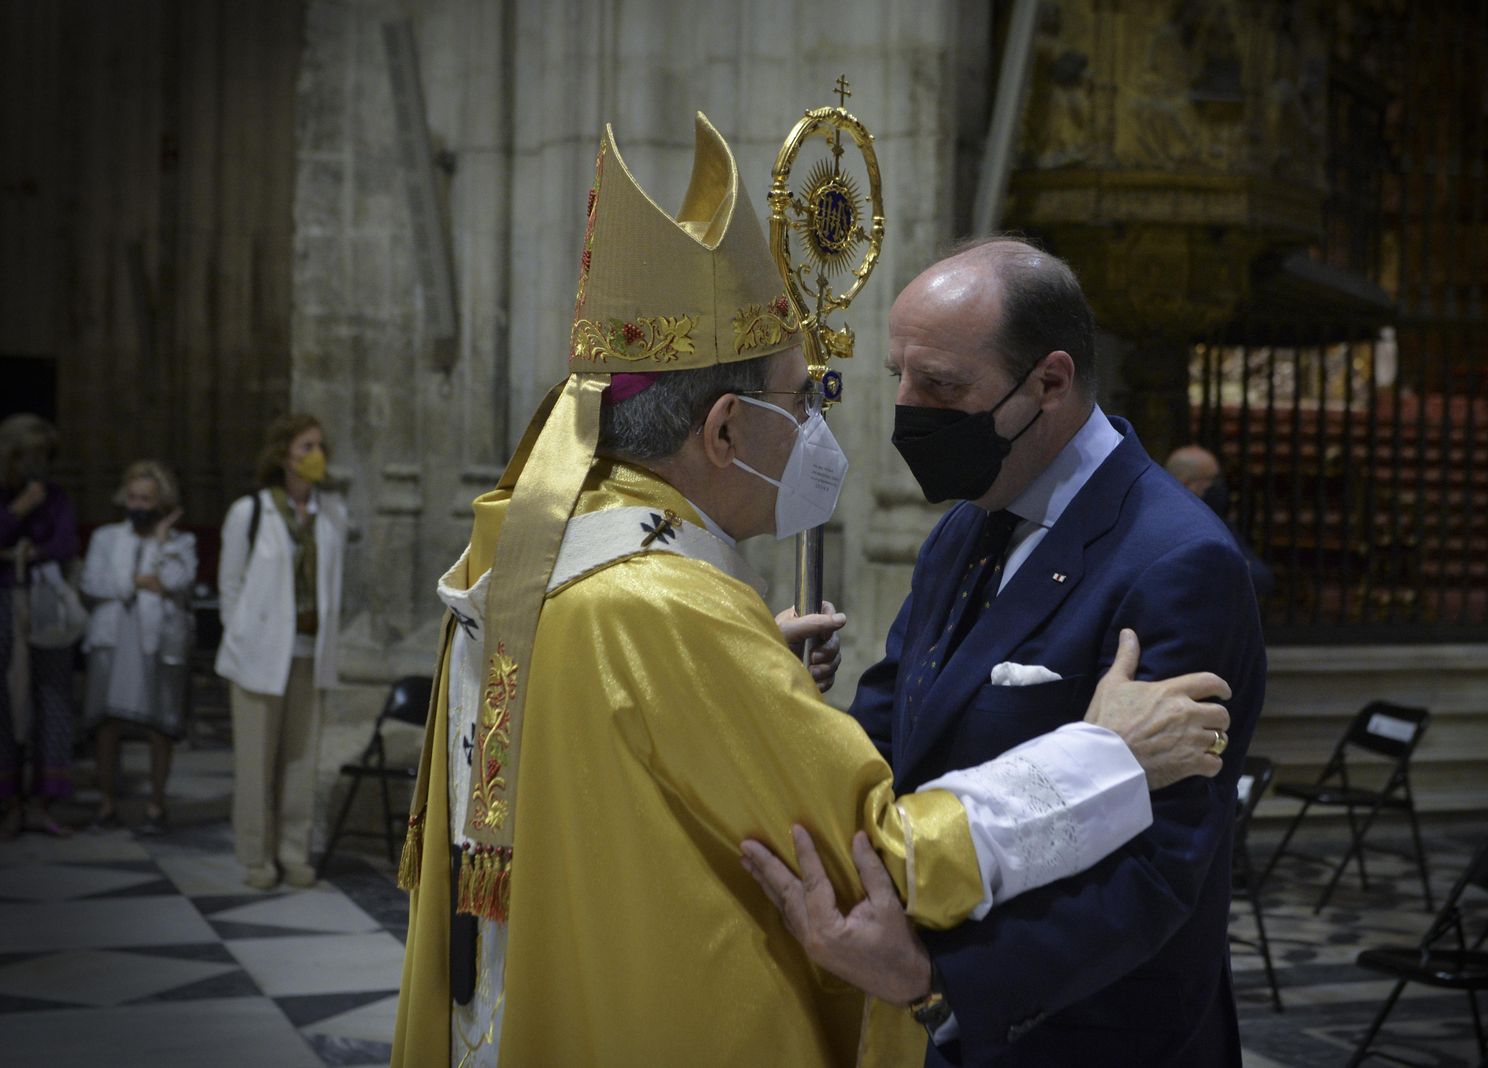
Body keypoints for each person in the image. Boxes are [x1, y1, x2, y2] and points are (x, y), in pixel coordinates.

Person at [391, 114, 1234, 1068]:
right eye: (799, 402)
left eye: (940, 385)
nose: (830, 429)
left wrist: (758, 695)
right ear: (724, 431)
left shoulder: (539, 559)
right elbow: (873, 848)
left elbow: (1169, 866)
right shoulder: (667, 606)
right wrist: (1105, 757)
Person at [745, 238, 1267, 1066]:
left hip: (1080, 1035)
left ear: (1049, 382)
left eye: (942, 385)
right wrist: (777, 704)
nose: (907, 409)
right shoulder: (965, 526)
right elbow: (890, 740)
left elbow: (1159, 865)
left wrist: (943, 981)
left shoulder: (1178, 561)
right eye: (901, 377)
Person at [215, 413, 348, 889]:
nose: (316, 455)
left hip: (309, 651)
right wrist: (241, 636)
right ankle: (257, 856)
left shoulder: (332, 512)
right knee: (256, 761)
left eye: (320, 446)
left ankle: (294, 851)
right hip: (258, 653)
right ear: (283, 455)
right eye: (306, 446)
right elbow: (230, 585)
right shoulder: (250, 512)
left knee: (300, 759)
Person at [80, 460, 197, 834]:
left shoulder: (180, 542)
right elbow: (93, 583)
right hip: (113, 638)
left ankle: (156, 806)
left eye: (146, 499)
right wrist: (136, 581)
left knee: (159, 725)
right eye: (132, 497)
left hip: (157, 640)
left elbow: (177, 581)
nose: (138, 505)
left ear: (161, 502)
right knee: (106, 723)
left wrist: (162, 542)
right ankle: (107, 804)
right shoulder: (106, 537)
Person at [0, 413, 80, 839]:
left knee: (53, 697)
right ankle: (10, 801)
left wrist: (26, 553)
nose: (38, 465)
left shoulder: (57, 497)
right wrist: (18, 511)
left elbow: (64, 543)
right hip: (3, 600)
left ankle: (43, 803)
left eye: (45, 456)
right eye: (30, 456)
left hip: (47, 602)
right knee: (4, 701)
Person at [1166, 443, 1274, 597]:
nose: (1218, 487)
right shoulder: (1177, 525)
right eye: (1211, 479)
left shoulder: (1216, 521)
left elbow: (1260, 578)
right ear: (1186, 484)